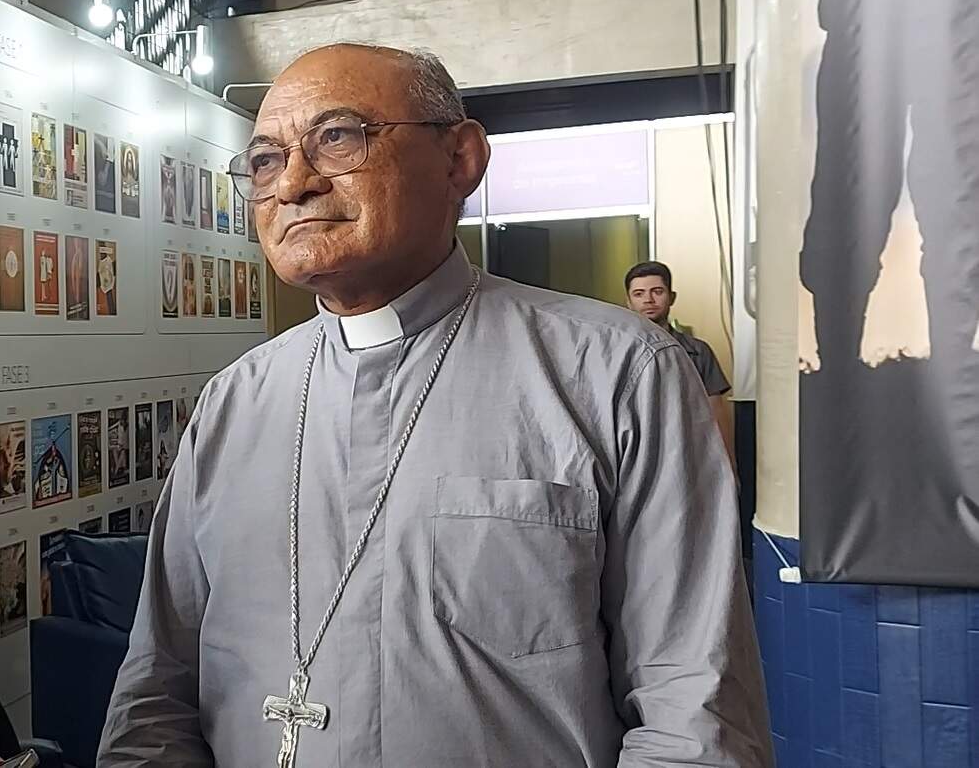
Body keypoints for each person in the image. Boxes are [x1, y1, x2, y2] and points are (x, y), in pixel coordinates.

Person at [100, 45, 770, 767]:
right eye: (265, 161)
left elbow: (693, 714)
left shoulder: (617, 373)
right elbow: (156, 695)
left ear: (460, 160)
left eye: (337, 137)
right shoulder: (234, 402)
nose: (292, 184)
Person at [624, 261, 735, 462]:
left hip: (690, 452)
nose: (648, 300)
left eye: (657, 291)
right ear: (629, 302)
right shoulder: (619, 352)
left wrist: (730, 465)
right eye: (639, 294)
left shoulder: (697, 351)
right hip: (635, 454)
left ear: (671, 297)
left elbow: (716, 413)